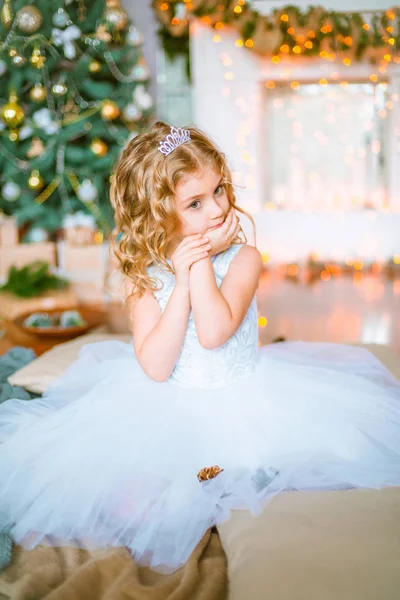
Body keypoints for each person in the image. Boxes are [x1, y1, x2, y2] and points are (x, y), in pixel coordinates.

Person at [0, 122, 399, 573]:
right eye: (195, 203)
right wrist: (182, 283)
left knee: (277, 472)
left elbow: (213, 332)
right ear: (158, 215)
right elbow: (155, 365)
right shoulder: (145, 277)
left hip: (248, 398)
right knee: (129, 497)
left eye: (219, 191)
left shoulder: (243, 259)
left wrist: (200, 264)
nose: (215, 210)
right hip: (168, 401)